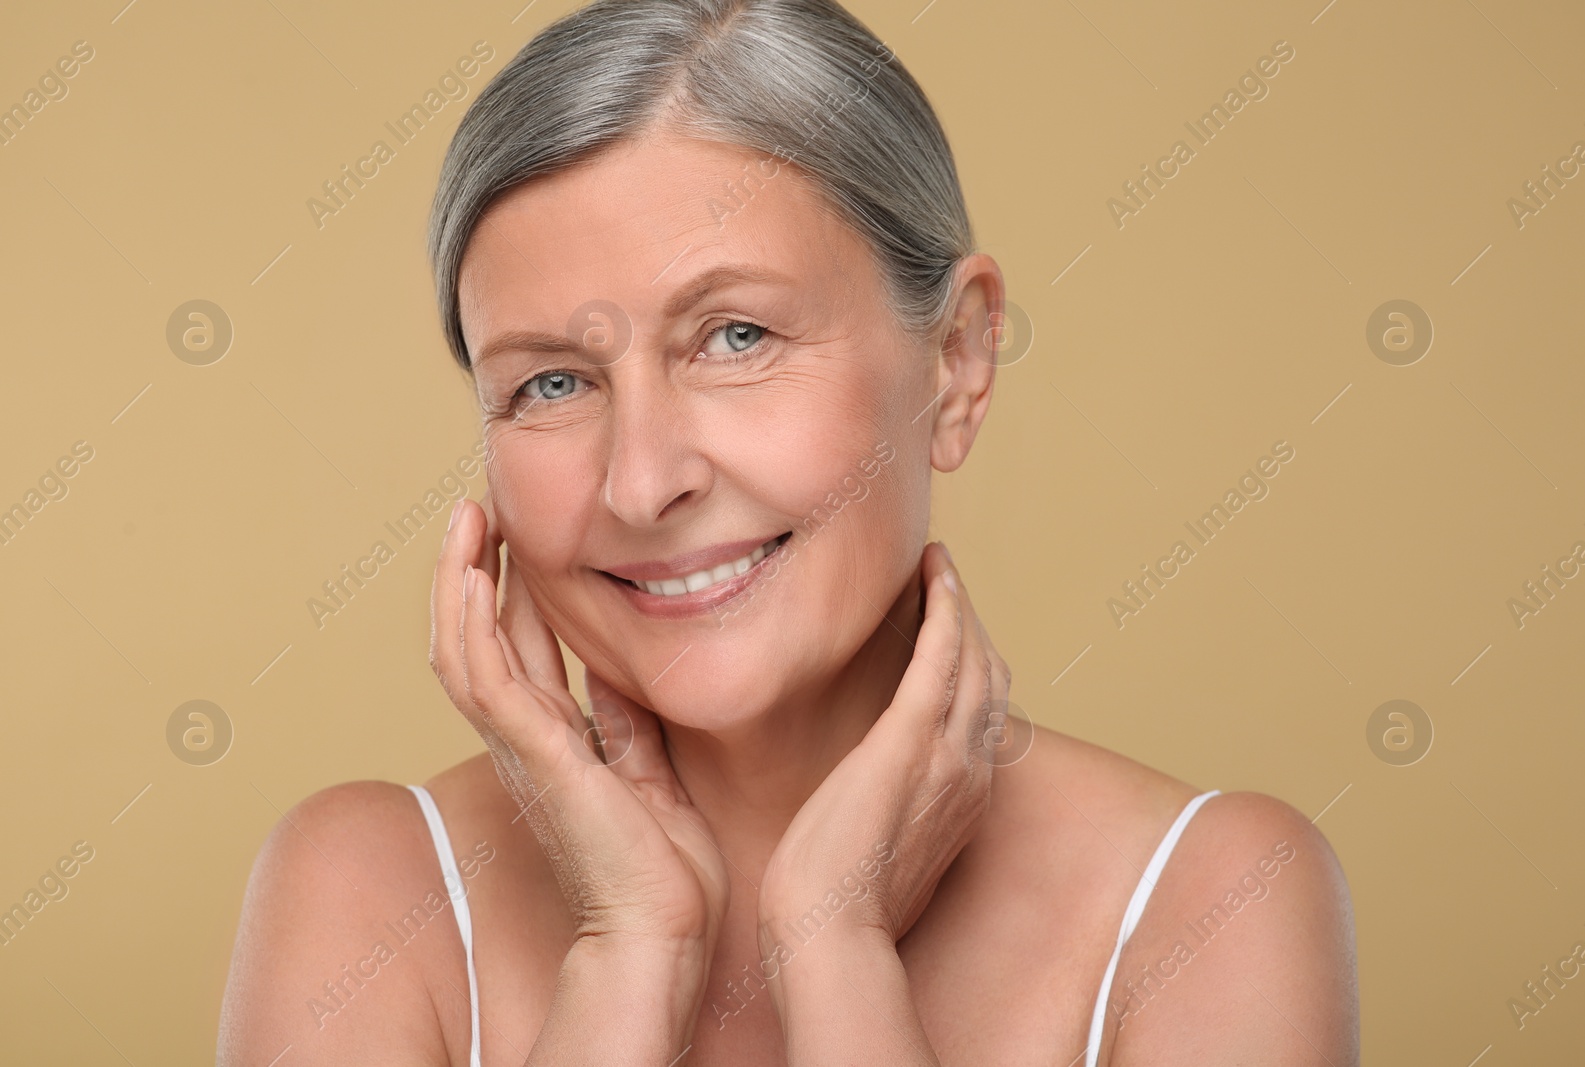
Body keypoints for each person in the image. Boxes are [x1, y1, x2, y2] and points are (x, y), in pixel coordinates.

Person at [218, 1, 1358, 1063]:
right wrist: (630, 950)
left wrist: (836, 952)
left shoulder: (1214, 898)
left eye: (735, 335)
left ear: (957, 361)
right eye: (553, 383)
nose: (643, 479)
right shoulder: (364, 887)